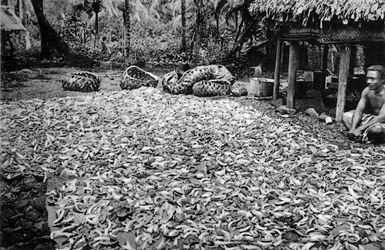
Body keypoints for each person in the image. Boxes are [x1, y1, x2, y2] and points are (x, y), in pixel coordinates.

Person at [342, 65, 385, 143]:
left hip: (381, 122)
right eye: (367, 78)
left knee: (377, 129)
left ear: (382, 79)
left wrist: (360, 128)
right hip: (370, 120)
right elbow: (358, 111)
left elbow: (381, 117)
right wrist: (352, 128)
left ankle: (363, 135)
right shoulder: (367, 91)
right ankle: (359, 134)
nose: (368, 81)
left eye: (372, 79)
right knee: (345, 116)